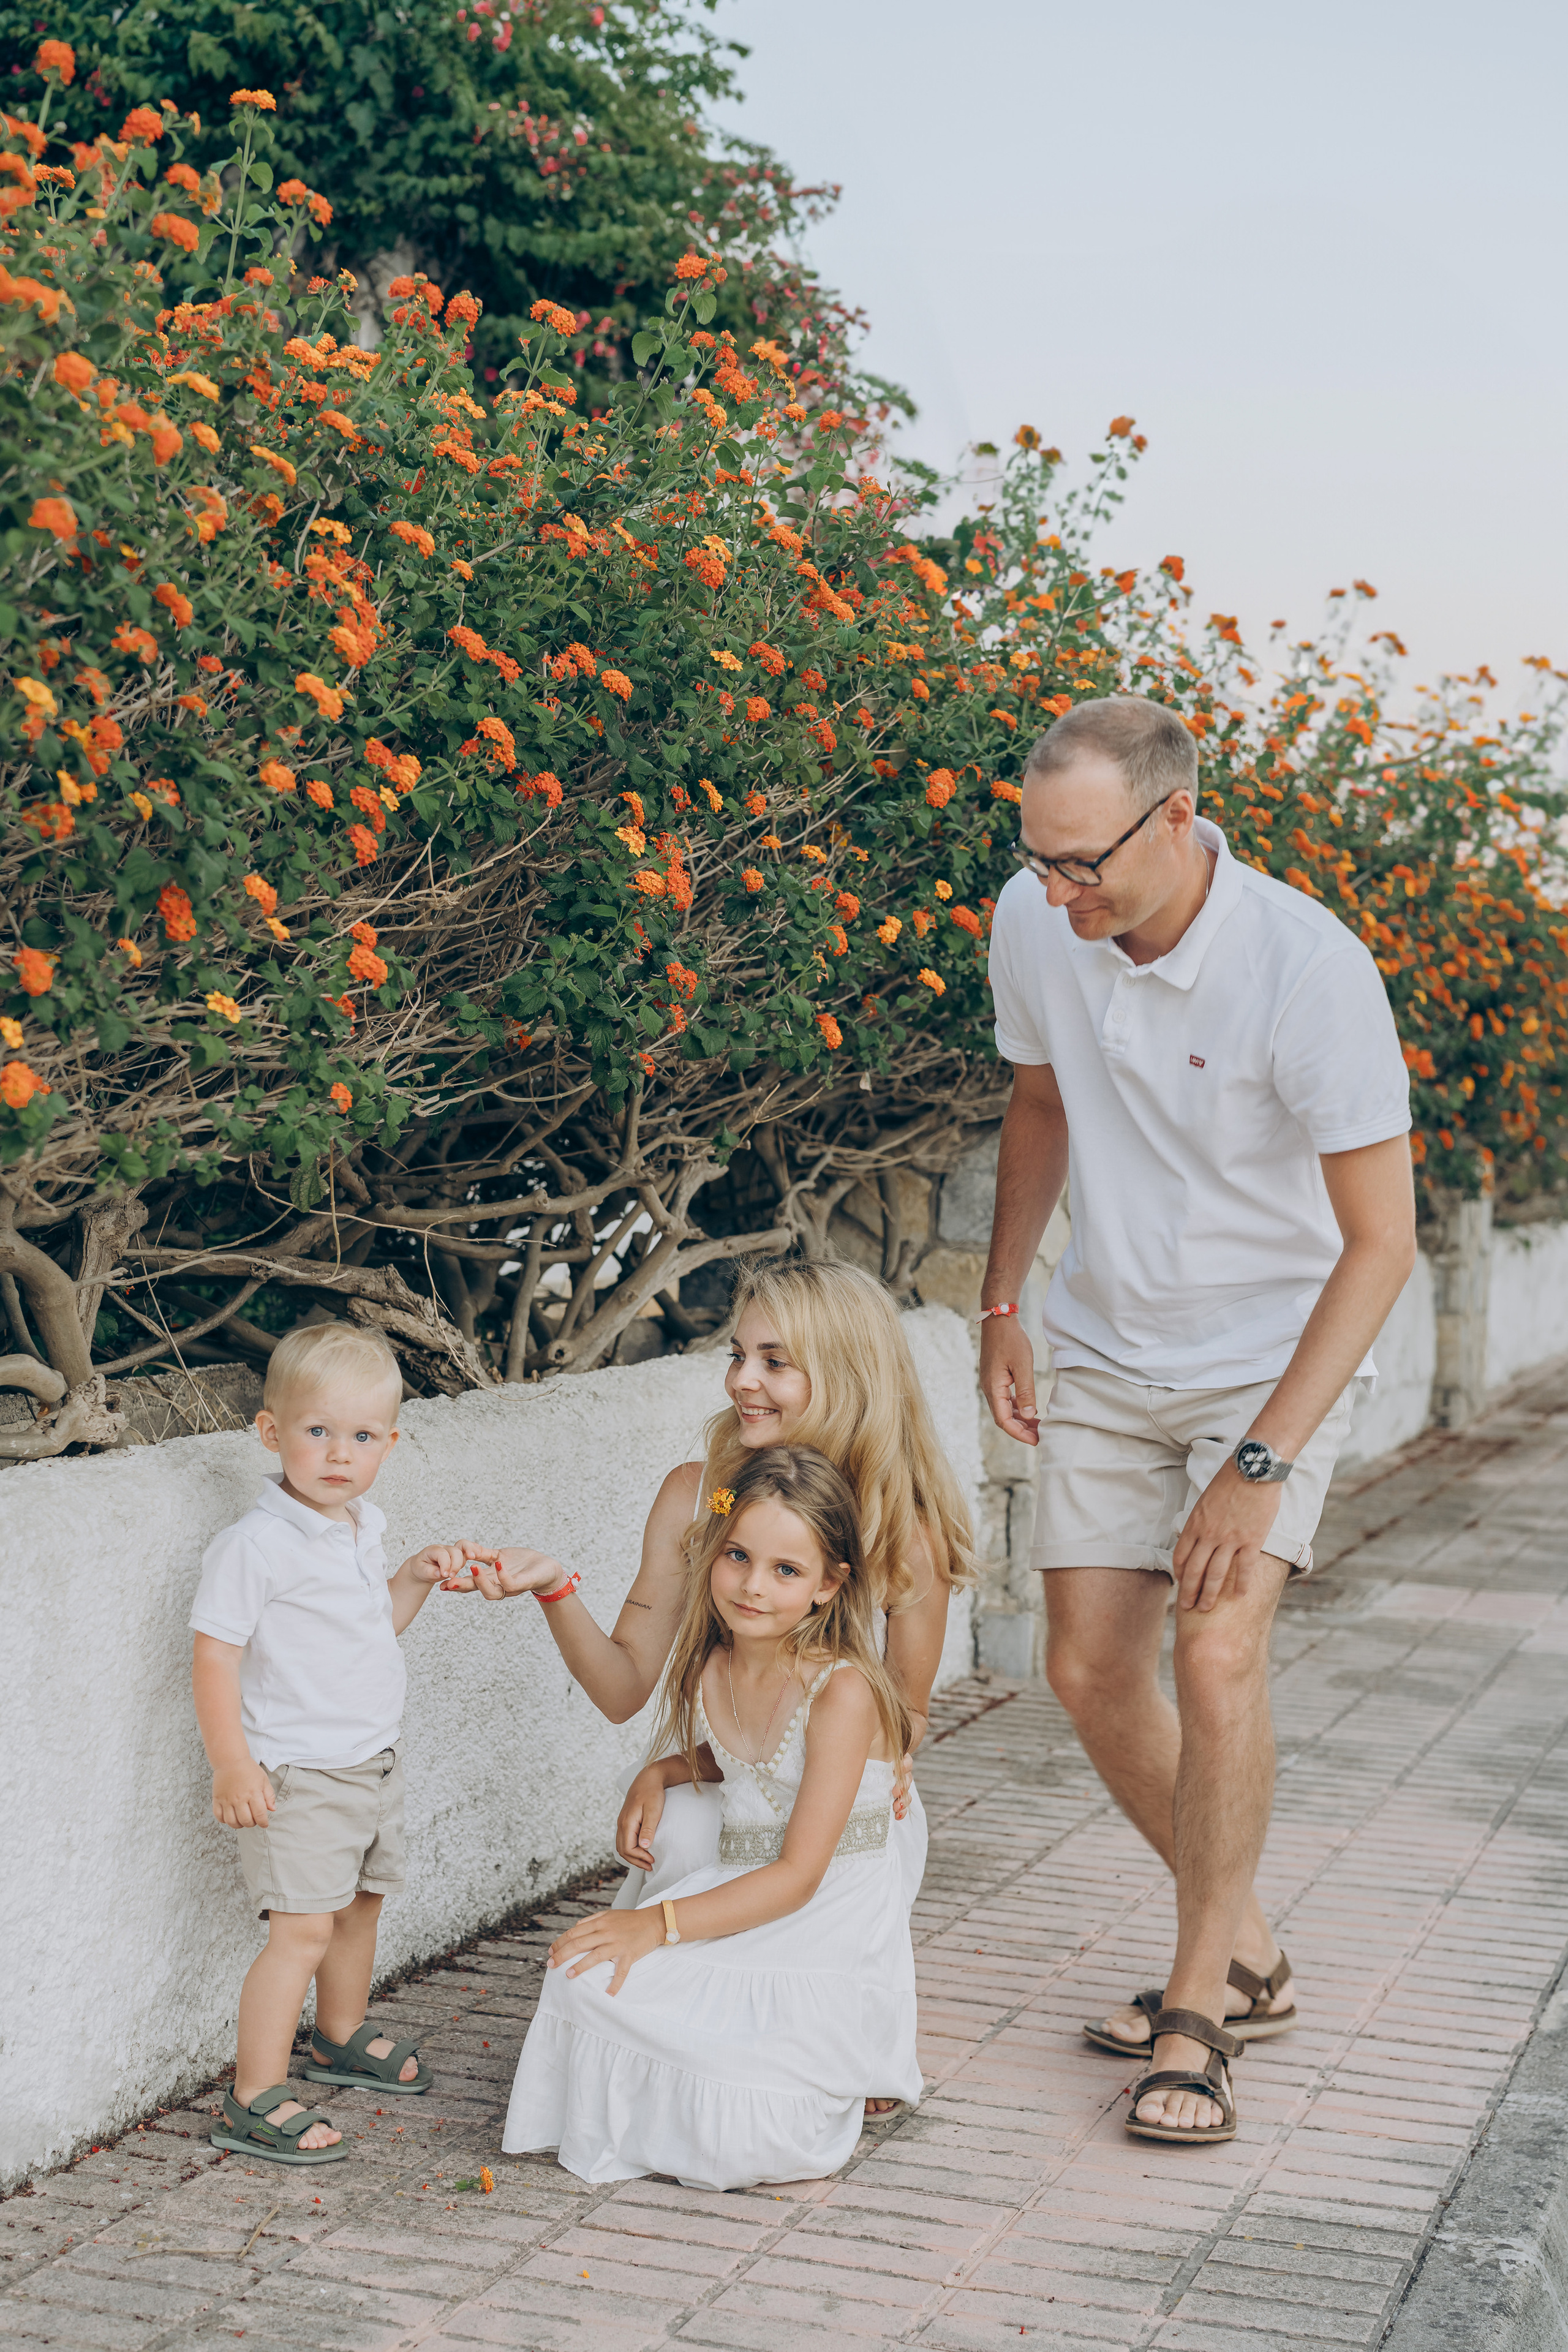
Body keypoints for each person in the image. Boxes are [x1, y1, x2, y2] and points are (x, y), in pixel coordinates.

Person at [981, 694, 1415, 2146]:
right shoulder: (1039, 917)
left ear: (1176, 817)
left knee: (1217, 1646)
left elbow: (1379, 1244)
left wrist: (1255, 1460)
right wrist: (1001, 1305)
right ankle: (1249, 1945)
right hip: (1106, 1336)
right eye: (1036, 858)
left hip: (1268, 1356)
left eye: (1082, 861)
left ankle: (1195, 2010)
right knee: (1088, 1670)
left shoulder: (1304, 968)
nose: (1057, 890)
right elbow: (1036, 1105)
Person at [455, 1254, 973, 2110]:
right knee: (681, 1838)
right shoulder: (703, 1503)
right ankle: (721, 2011)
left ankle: (849, 2029)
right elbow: (624, 1687)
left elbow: (903, 1719)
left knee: (794, 1866)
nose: (742, 1380)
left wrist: (887, 1748)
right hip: (745, 1782)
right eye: (738, 1354)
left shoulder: (897, 1521)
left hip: (844, 1813)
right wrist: (554, 1589)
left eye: (775, 1361)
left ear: (844, 1372)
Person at [501, 1444, 922, 2188]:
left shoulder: (844, 1690)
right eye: (737, 1557)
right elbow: (738, 1762)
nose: (753, 1587)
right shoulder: (712, 1666)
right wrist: (662, 1769)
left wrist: (655, 1925)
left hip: (825, 1907)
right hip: (743, 1876)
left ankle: (810, 2075)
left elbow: (798, 1877)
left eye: (786, 1571)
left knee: (743, 2095)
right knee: (579, 1978)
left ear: (830, 1585)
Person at [190, 1322, 487, 2166]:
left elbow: (371, 1630)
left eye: (361, 1437)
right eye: (317, 1431)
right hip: (299, 1775)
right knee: (302, 1934)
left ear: (390, 1444)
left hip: (371, 1762)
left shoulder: (359, 1528)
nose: (337, 1454)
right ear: (271, 1432)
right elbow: (215, 1655)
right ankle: (252, 2094)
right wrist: (232, 1762)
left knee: (362, 1908)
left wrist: (414, 1581)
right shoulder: (257, 1545)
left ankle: (341, 2034)